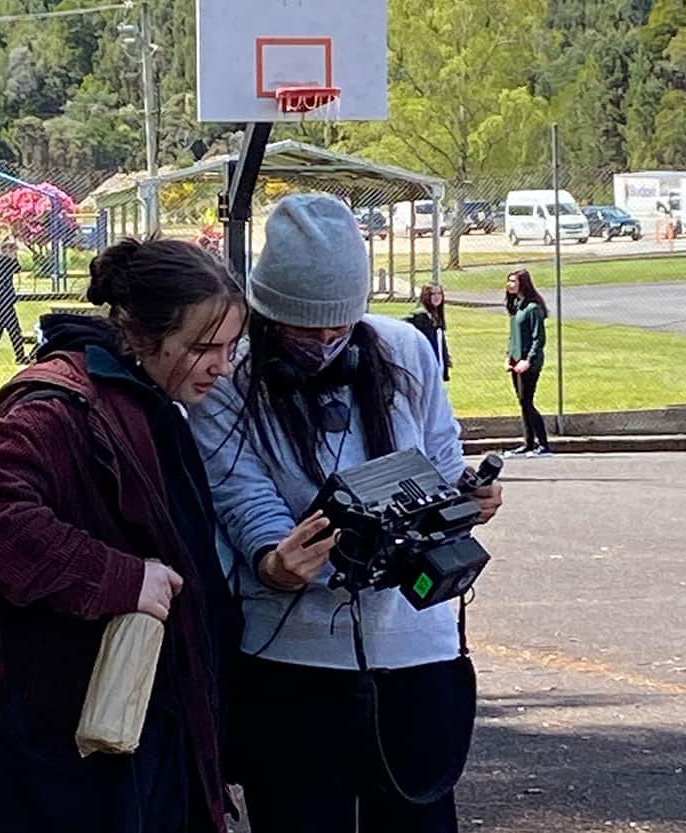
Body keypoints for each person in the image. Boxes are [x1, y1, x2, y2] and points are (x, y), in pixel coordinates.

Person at [189, 194, 503, 833]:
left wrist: (464, 502)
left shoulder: (405, 349)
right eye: (306, 330)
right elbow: (239, 491)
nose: (327, 344)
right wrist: (276, 561)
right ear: (268, 313)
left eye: (341, 328)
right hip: (293, 661)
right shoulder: (230, 374)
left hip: (419, 654)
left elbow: (441, 458)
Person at [0, 237, 246, 833]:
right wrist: (122, 578)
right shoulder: (56, 409)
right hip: (72, 748)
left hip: (144, 731)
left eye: (230, 348)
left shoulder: (149, 401)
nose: (222, 365)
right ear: (139, 334)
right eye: (202, 348)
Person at [504, 268, 552, 457]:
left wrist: (528, 360)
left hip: (528, 363)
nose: (510, 285)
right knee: (522, 402)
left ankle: (544, 444)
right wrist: (509, 356)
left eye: (514, 281)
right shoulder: (516, 305)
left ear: (523, 283)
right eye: (509, 281)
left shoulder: (533, 308)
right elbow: (513, 335)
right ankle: (528, 443)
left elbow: (538, 338)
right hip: (516, 360)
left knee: (527, 401)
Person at [406, 283, 451, 382]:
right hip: (426, 370)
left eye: (439, 293)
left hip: (438, 368)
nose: (437, 297)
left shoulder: (436, 317)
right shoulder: (421, 318)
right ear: (426, 296)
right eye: (433, 294)